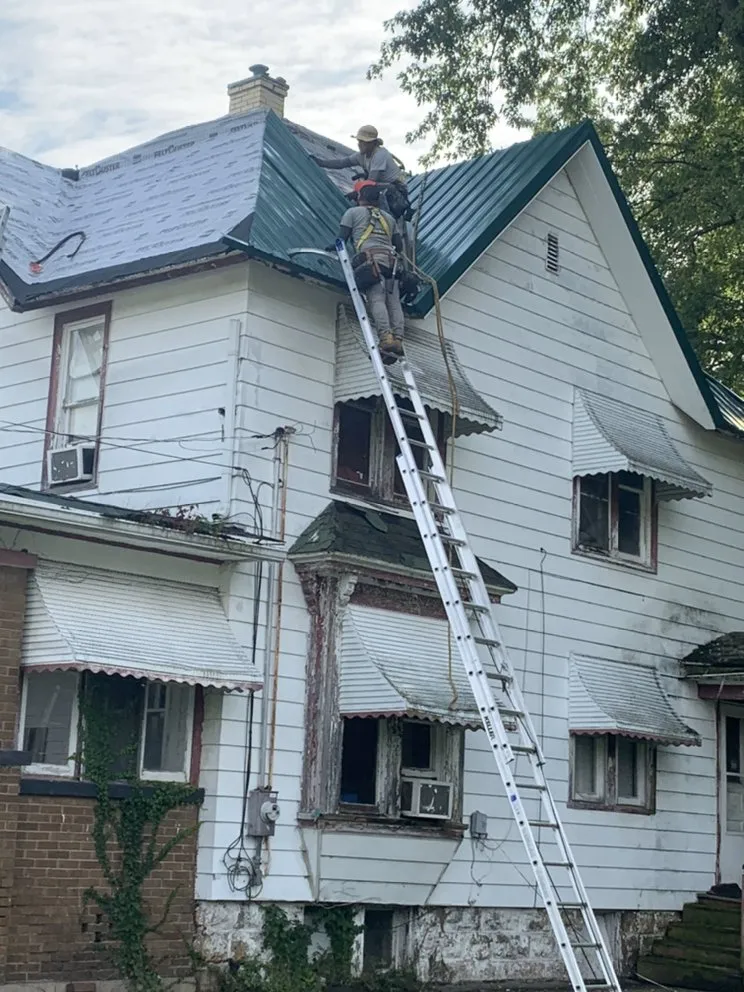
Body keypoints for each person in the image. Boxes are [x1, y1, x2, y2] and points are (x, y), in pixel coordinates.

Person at [328, 181, 405, 360]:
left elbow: (341, 240)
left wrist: (331, 248)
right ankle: (398, 339)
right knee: (393, 302)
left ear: (361, 197)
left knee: (377, 299)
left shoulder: (352, 213)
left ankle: (386, 338)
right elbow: (399, 246)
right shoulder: (389, 218)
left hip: (372, 261)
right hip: (392, 263)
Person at [311, 125, 412, 224]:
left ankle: (384, 221)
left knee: (366, 191)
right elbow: (342, 163)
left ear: (372, 143)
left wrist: (356, 192)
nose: (360, 144)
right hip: (382, 189)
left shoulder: (380, 155)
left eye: (363, 142)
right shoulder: (361, 156)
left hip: (396, 193)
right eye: (359, 141)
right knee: (363, 192)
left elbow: (371, 181)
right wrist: (321, 163)